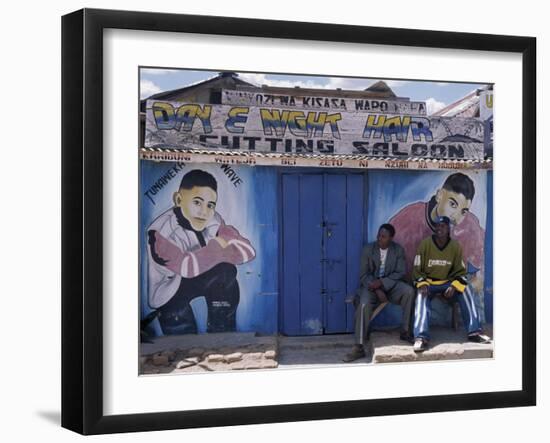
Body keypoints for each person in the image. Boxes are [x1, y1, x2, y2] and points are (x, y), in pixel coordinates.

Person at [146, 169, 256, 335]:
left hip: (198, 274)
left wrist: (219, 250)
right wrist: (219, 246)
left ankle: (222, 331)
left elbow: (247, 251)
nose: (204, 211)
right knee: (182, 338)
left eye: (210, 205)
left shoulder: (213, 219)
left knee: (226, 271)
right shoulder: (159, 233)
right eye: (197, 202)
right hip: (169, 292)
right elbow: (186, 267)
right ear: (178, 199)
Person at [389, 172, 485, 293]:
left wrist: (460, 288)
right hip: (416, 287)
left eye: (463, 211)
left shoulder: (470, 226)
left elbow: (480, 275)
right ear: (440, 195)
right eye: (452, 204)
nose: (456, 216)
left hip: (451, 289)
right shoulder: (407, 220)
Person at [411, 216, 491, 352]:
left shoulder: (455, 246)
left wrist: (454, 286)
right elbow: (417, 270)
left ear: (448, 228)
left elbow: (460, 272)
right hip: (429, 282)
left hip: (447, 283)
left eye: (442, 226)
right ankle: (421, 337)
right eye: (437, 226)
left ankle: (474, 332)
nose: (439, 228)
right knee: (421, 295)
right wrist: (422, 283)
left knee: (466, 288)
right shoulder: (425, 244)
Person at [343, 224, 415, 362]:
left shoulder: (398, 250)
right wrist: (377, 288)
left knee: (409, 291)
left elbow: (399, 273)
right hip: (371, 287)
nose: (379, 238)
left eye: (383, 236)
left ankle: (406, 331)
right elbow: (364, 275)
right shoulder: (368, 249)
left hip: (391, 285)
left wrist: (382, 283)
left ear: (391, 238)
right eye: (378, 235)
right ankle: (358, 346)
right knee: (363, 304)